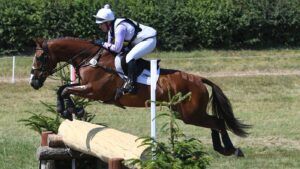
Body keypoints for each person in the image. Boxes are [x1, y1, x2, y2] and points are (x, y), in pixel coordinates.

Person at [93, 4, 157, 94]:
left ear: (107, 23)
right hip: (139, 41)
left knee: (130, 57)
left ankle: (132, 85)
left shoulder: (120, 27)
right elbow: (110, 47)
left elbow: (116, 48)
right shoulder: (111, 29)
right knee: (124, 56)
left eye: (101, 24)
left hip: (149, 40)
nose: (100, 27)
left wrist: (102, 43)